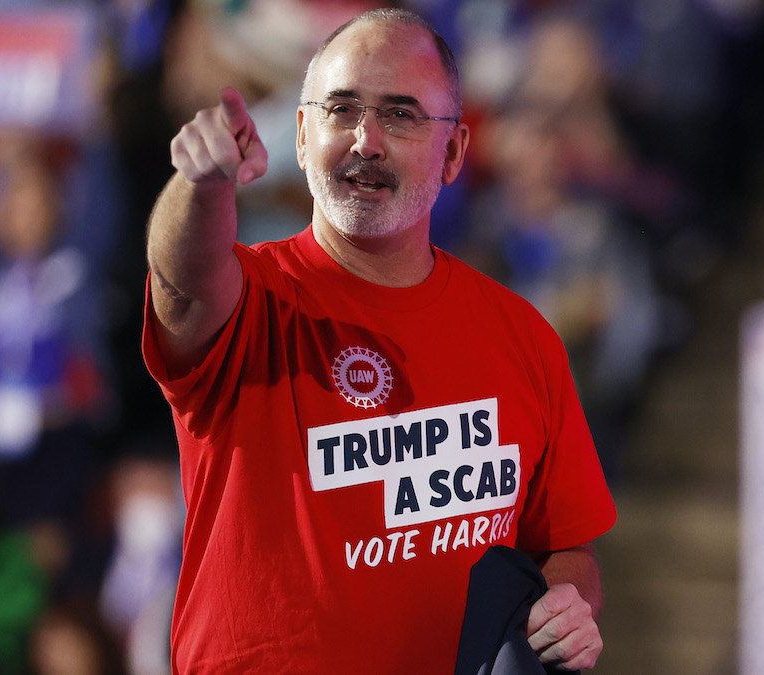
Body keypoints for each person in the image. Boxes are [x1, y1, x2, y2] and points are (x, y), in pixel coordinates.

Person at [142, 8, 617, 673]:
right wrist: (200, 183)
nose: (365, 140)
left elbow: (564, 547)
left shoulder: (522, 336)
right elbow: (181, 276)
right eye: (341, 109)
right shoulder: (250, 300)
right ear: (302, 137)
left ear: (453, 152)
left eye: (400, 114)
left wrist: (570, 602)